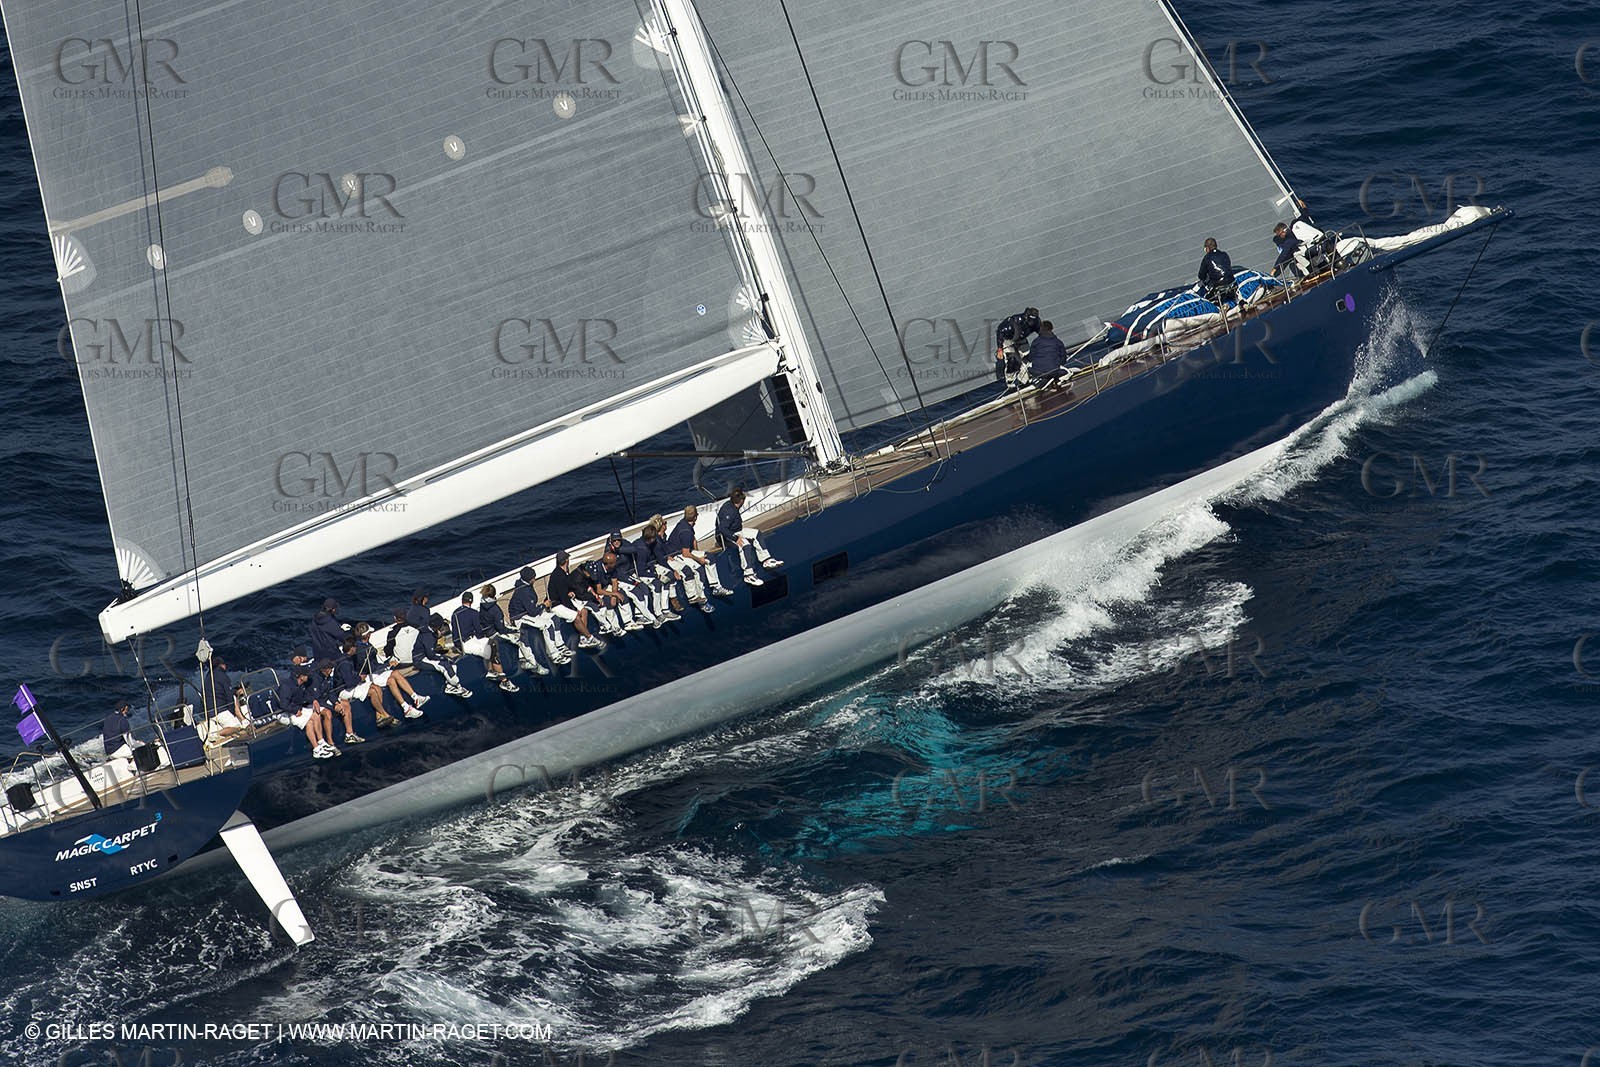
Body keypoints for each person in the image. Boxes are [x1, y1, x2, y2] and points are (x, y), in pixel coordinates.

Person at [407, 590, 472, 697]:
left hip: (428, 654)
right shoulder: (427, 635)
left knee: (452, 663)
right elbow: (431, 654)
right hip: (421, 659)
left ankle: (450, 686)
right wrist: (441, 657)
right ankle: (458, 686)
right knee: (443, 665)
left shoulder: (421, 623)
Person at [350, 629, 426, 719]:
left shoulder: (365, 645)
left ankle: (409, 704)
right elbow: (369, 667)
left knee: (392, 679)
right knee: (395, 673)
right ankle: (412, 700)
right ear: (367, 635)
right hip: (369, 676)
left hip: (374, 672)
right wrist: (388, 664)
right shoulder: (363, 649)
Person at [666, 504, 731, 610]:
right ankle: (702, 600)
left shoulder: (686, 524)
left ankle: (716, 587)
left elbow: (693, 540)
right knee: (698, 569)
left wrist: (698, 552)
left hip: (687, 551)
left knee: (709, 557)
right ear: (695, 516)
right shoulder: (685, 531)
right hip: (677, 555)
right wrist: (699, 559)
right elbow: (685, 553)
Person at [451, 591, 519, 692]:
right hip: (469, 643)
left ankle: (491, 671)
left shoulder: (454, 614)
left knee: (491, 643)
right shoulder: (473, 613)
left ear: (462, 601)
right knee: (491, 649)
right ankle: (504, 681)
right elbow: (479, 631)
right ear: (471, 601)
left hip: (463, 642)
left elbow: (455, 633)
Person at [478, 583, 548, 677]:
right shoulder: (495, 609)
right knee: (521, 637)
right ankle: (533, 664)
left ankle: (523, 657)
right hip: (495, 633)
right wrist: (513, 631)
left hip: (488, 630)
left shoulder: (482, 605)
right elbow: (502, 629)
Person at [717, 488, 782, 587]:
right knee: (745, 545)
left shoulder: (732, 506)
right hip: (728, 536)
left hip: (737, 530)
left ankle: (766, 560)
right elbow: (723, 529)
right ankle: (748, 574)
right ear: (742, 501)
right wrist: (736, 539)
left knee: (757, 534)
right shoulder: (729, 511)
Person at [509, 566, 572, 665]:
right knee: (547, 624)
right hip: (519, 617)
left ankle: (559, 645)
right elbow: (533, 612)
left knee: (554, 617)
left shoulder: (526, 586)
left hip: (528, 611)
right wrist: (544, 605)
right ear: (530, 579)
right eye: (533, 577)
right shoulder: (524, 591)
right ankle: (553, 654)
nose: (535, 579)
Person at [547, 550, 604, 649]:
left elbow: (564, 590)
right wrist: (573, 608)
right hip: (557, 604)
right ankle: (589, 637)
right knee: (576, 616)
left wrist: (569, 592)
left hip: (564, 598)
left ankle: (583, 638)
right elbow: (563, 597)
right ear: (566, 560)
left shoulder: (563, 572)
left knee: (584, 611)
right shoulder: (559, 575)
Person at [278, 665, 338, 758]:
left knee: (316, 714)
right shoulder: (287, 686)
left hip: (295, 708)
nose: (308, 677)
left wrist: (313, 700)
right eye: (306, 675)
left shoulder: (301, 685)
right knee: (309, 722)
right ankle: (316, 749)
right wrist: (295, 710)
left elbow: (304, 697)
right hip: (285, 712)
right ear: (300, 676)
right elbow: (283, 704)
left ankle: (321, 743)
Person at [314, 658, 365, 745]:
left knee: (345, 704)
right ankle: (330, 742)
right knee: (328, 713)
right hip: (317, 702)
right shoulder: (317, 680)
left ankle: (349, 734)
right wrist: (333, 707)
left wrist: (336, 703)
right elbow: (318, 698)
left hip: (326, 699)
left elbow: (330, 693)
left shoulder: (327, 678)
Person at [994, 306, 1040, 387]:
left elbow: (1041, 331)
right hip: (1008, 339)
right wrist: (1000, 348)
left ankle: (1024, 379)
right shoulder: (1014, 322)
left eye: (1033, 321)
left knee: (1027, 358)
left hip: (1021, 339)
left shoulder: (1036, 322)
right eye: (1030, 321)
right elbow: (1000, 332)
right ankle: (1010, 381)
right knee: (1012, 360)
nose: (1031, 323)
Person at [1197, 238, 1237, 304]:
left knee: (1206, 299)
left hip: (1218, 288)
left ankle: (1219, 306)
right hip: (1232, 284)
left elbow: (1201, 276)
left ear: (1207, 248)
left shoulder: (1207, 258)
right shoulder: (1224, 254)